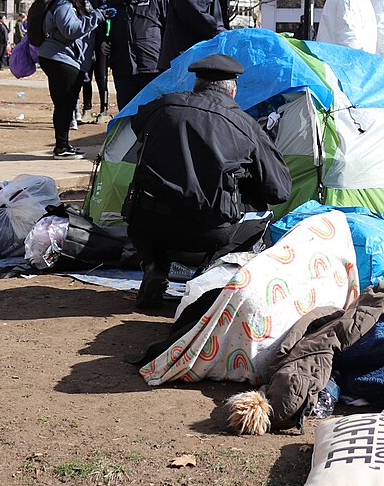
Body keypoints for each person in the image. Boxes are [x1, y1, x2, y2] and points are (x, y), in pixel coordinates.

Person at [124, 53, 292, 310]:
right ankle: (210, 274)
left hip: (146, 225)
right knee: (260, 215)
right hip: (206, 231)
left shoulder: (162, 107)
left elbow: (139, 127)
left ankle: (154, 266)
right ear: (233, 90)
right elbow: (279, 190)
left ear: (196, 84)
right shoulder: (245, 126)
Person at [35, 0, 116, 157]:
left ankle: (63, 145)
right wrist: (99, 15)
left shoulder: (69, 5)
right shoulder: (64, 6)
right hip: (61, 59)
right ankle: (61, 147)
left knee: (65, 104)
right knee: (65, 104)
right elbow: (71, 30)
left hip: (64, 59)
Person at [107, 0, 168, 107]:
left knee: (154, 109)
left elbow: (171, 28)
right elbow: (103, 31)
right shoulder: (111, 3)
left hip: (152, 66)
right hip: (124, 69)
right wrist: (103, 42)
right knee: (127, 110)